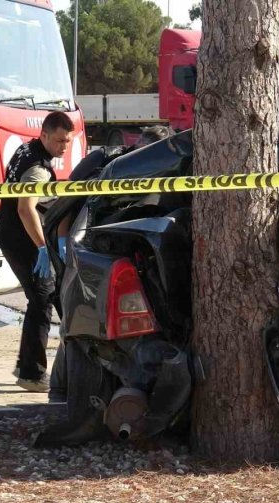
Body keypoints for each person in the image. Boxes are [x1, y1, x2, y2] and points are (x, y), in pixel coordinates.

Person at [46, 125, 171, 403]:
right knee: (73, 315)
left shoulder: (166, 174)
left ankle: (66, 389)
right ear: (137, 148)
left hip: (113, 244)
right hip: (82, 241)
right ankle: (59, 390)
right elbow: (66, 203)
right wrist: (63, 245)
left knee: (81, 319)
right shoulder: (103, 161)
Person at [0, 111, 75, 392]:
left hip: (13, 235)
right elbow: (25, 207)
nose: (64, 147)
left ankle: (27, 366)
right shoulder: (38, 168)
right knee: (41, 301)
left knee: (44, 297)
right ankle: (30, 374)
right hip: (23, 241)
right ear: (44, 135)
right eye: (59, 141)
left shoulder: (26, 148)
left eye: (67, 141)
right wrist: (43, 248)